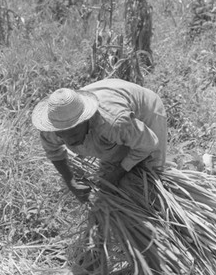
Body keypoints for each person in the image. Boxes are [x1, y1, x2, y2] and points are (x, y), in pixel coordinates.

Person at [32, 78, 167, 203]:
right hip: (116, 110)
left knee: (151, 171)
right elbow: (54, 152)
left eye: (73, 133)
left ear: (86, 120)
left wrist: (118, 172)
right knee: (114, 166)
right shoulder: (55, 124)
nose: (68, 141)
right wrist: (71, 182)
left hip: (145, 109)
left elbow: (148, 144)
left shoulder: (113, 122)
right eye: (61, 134)